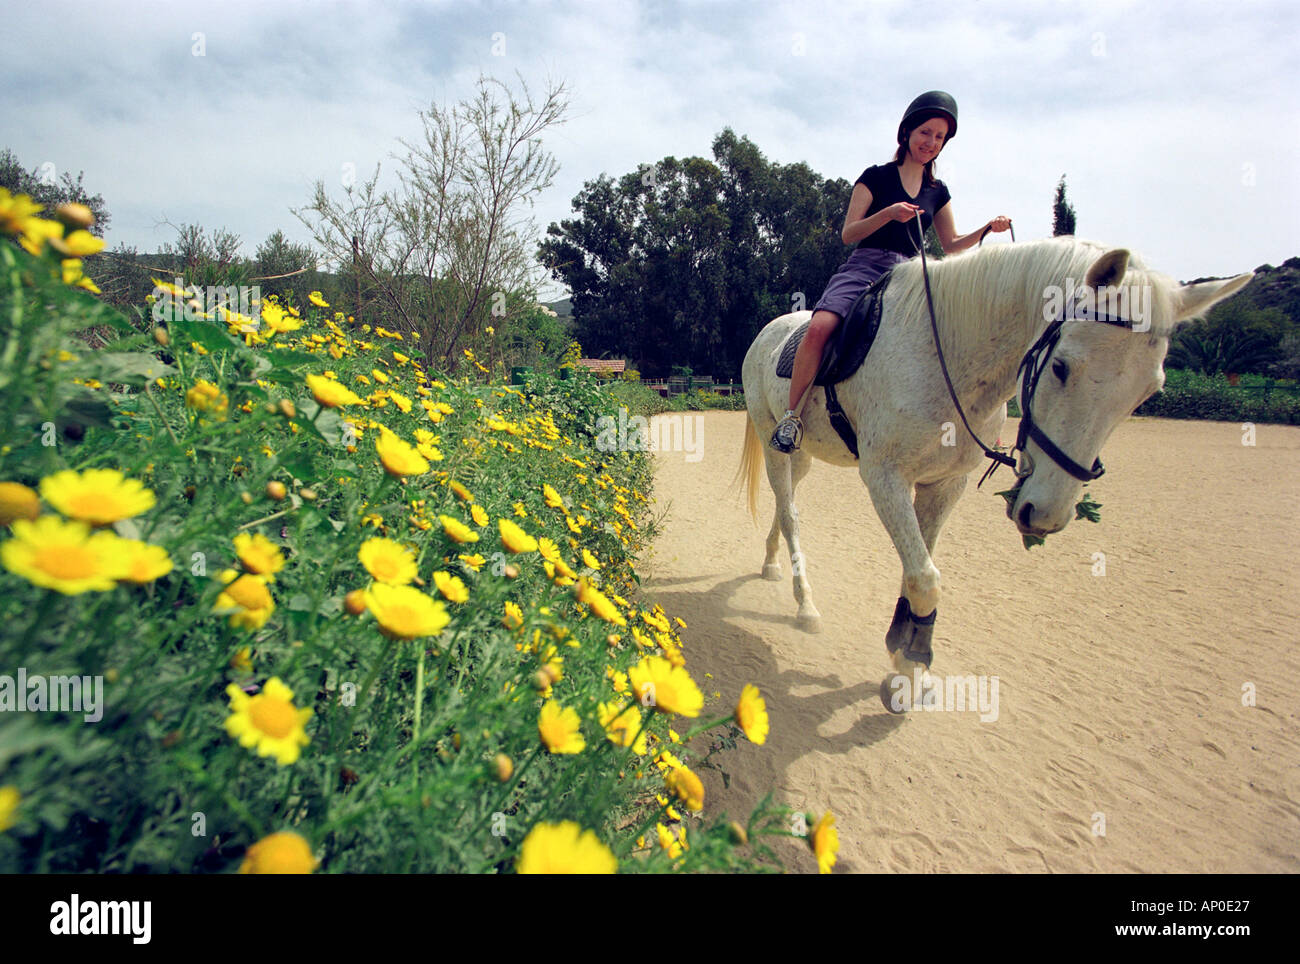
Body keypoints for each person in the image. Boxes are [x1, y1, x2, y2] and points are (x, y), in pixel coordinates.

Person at [770, 90, 1013, 452]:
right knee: (820, 326)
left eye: (939, 137)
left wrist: (986, 230)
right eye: (925, 133)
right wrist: (887, 214)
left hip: (913, 273)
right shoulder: (876, 177)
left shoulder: (937, 191)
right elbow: (848, 233)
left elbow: (950, 244)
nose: (931, 142)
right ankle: (791, 417)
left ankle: (969, 424)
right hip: (866, 265)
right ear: (907, 133)